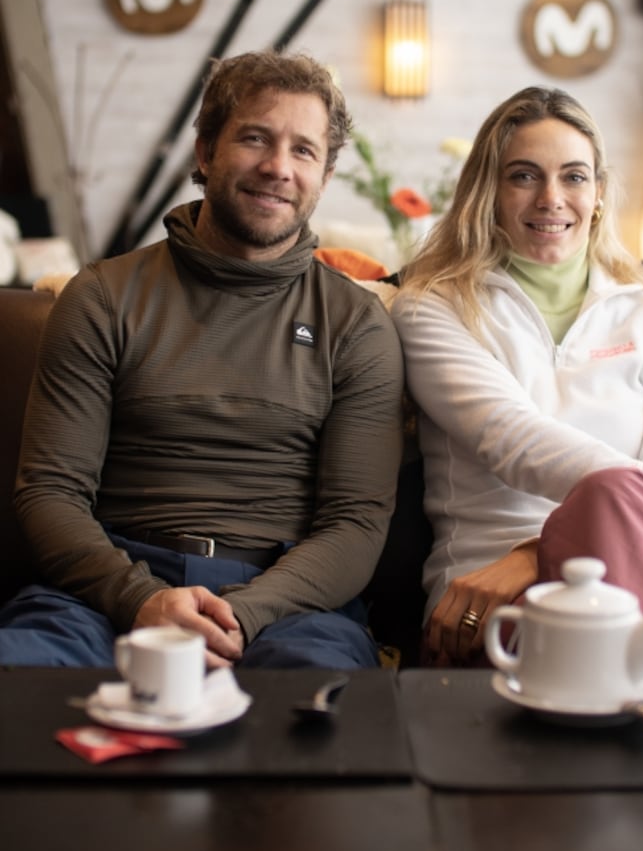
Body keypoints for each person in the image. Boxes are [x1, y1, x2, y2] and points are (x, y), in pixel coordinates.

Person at [0, 49, 404, 670]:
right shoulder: (104, 295)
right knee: (20, 681)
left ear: (324, 176)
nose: (277, 167)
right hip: (105, 588)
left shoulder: (355, 323)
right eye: (254, 138)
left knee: (324, 719)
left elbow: (355, 524)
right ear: (204, 150)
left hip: (289, 602)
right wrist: (141, 600)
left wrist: (246, 612)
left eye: (303, 150)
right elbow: (49, 492)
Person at [391, 85, 643, 669]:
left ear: (597, 194)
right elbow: (515, 442)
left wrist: (537, 551)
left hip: (632, 570)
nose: (551, 199)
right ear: (486, 192)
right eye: (523, 176)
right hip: (494, 598)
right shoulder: (432, 308)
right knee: (624, 495)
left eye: (573, 176)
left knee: (626, 498)